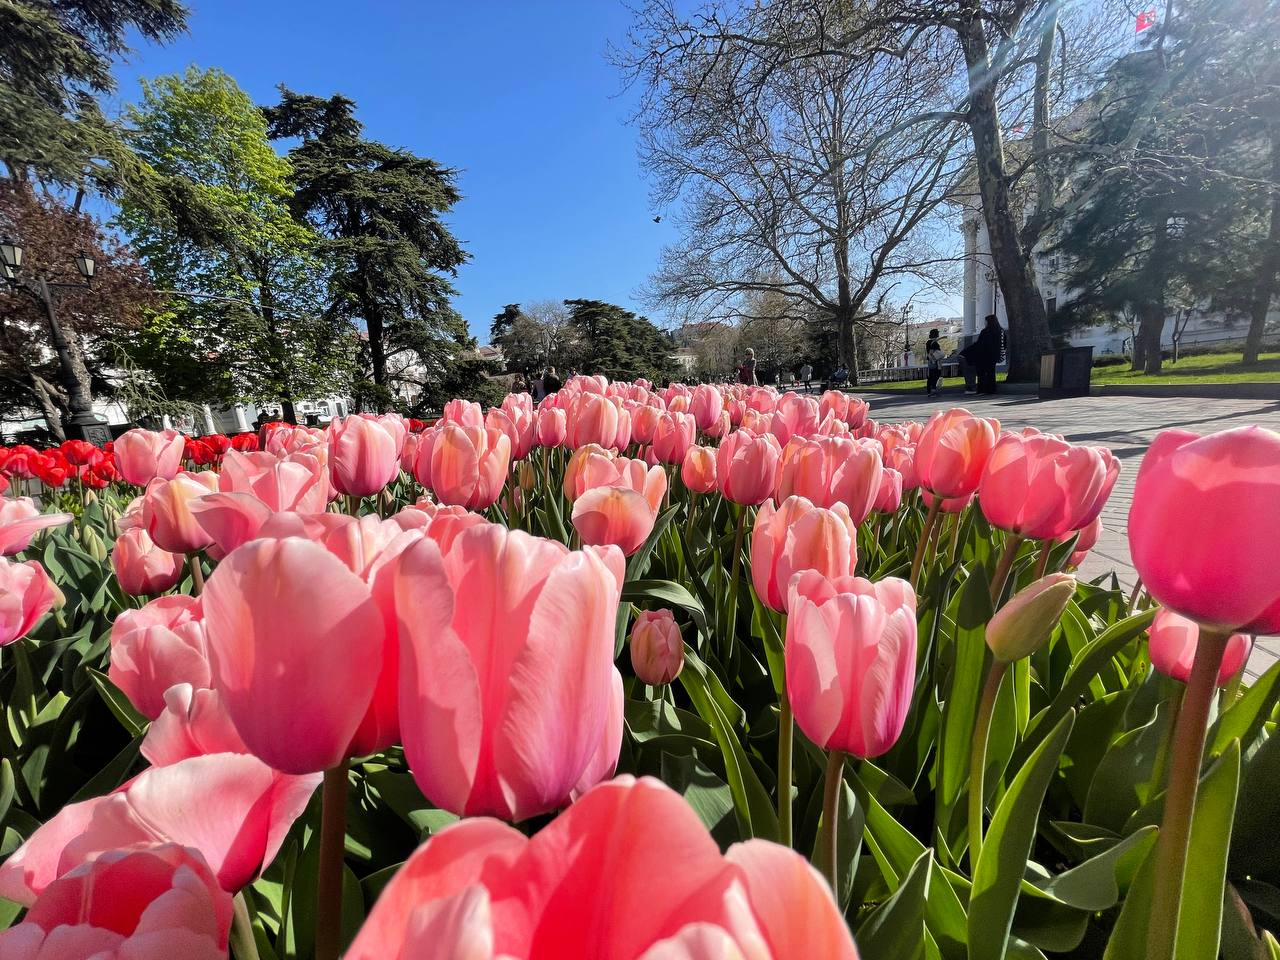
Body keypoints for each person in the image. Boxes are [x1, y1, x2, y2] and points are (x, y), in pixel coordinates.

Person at [961, 314, 1005, 395]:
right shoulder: (1001, 331)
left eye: (985, 321)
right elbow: (1003, 343)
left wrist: (967, 352)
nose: (985, 323)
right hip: (994, 356)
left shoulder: (985, 332)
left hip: (983, 356)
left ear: (988, 322)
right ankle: (991, 389)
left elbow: (979, 344)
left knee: (981, 373)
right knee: (991, 373)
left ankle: (982, 390)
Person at [925, 329, 944, 397]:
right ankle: (933, 391)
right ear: (936, 334)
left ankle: (929, 391)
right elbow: (932, 352)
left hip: (930, 361)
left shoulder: (928, 342)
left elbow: (928, 352)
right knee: (935, 375)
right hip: (935, 361)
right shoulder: (934, 343)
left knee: (931, 376)